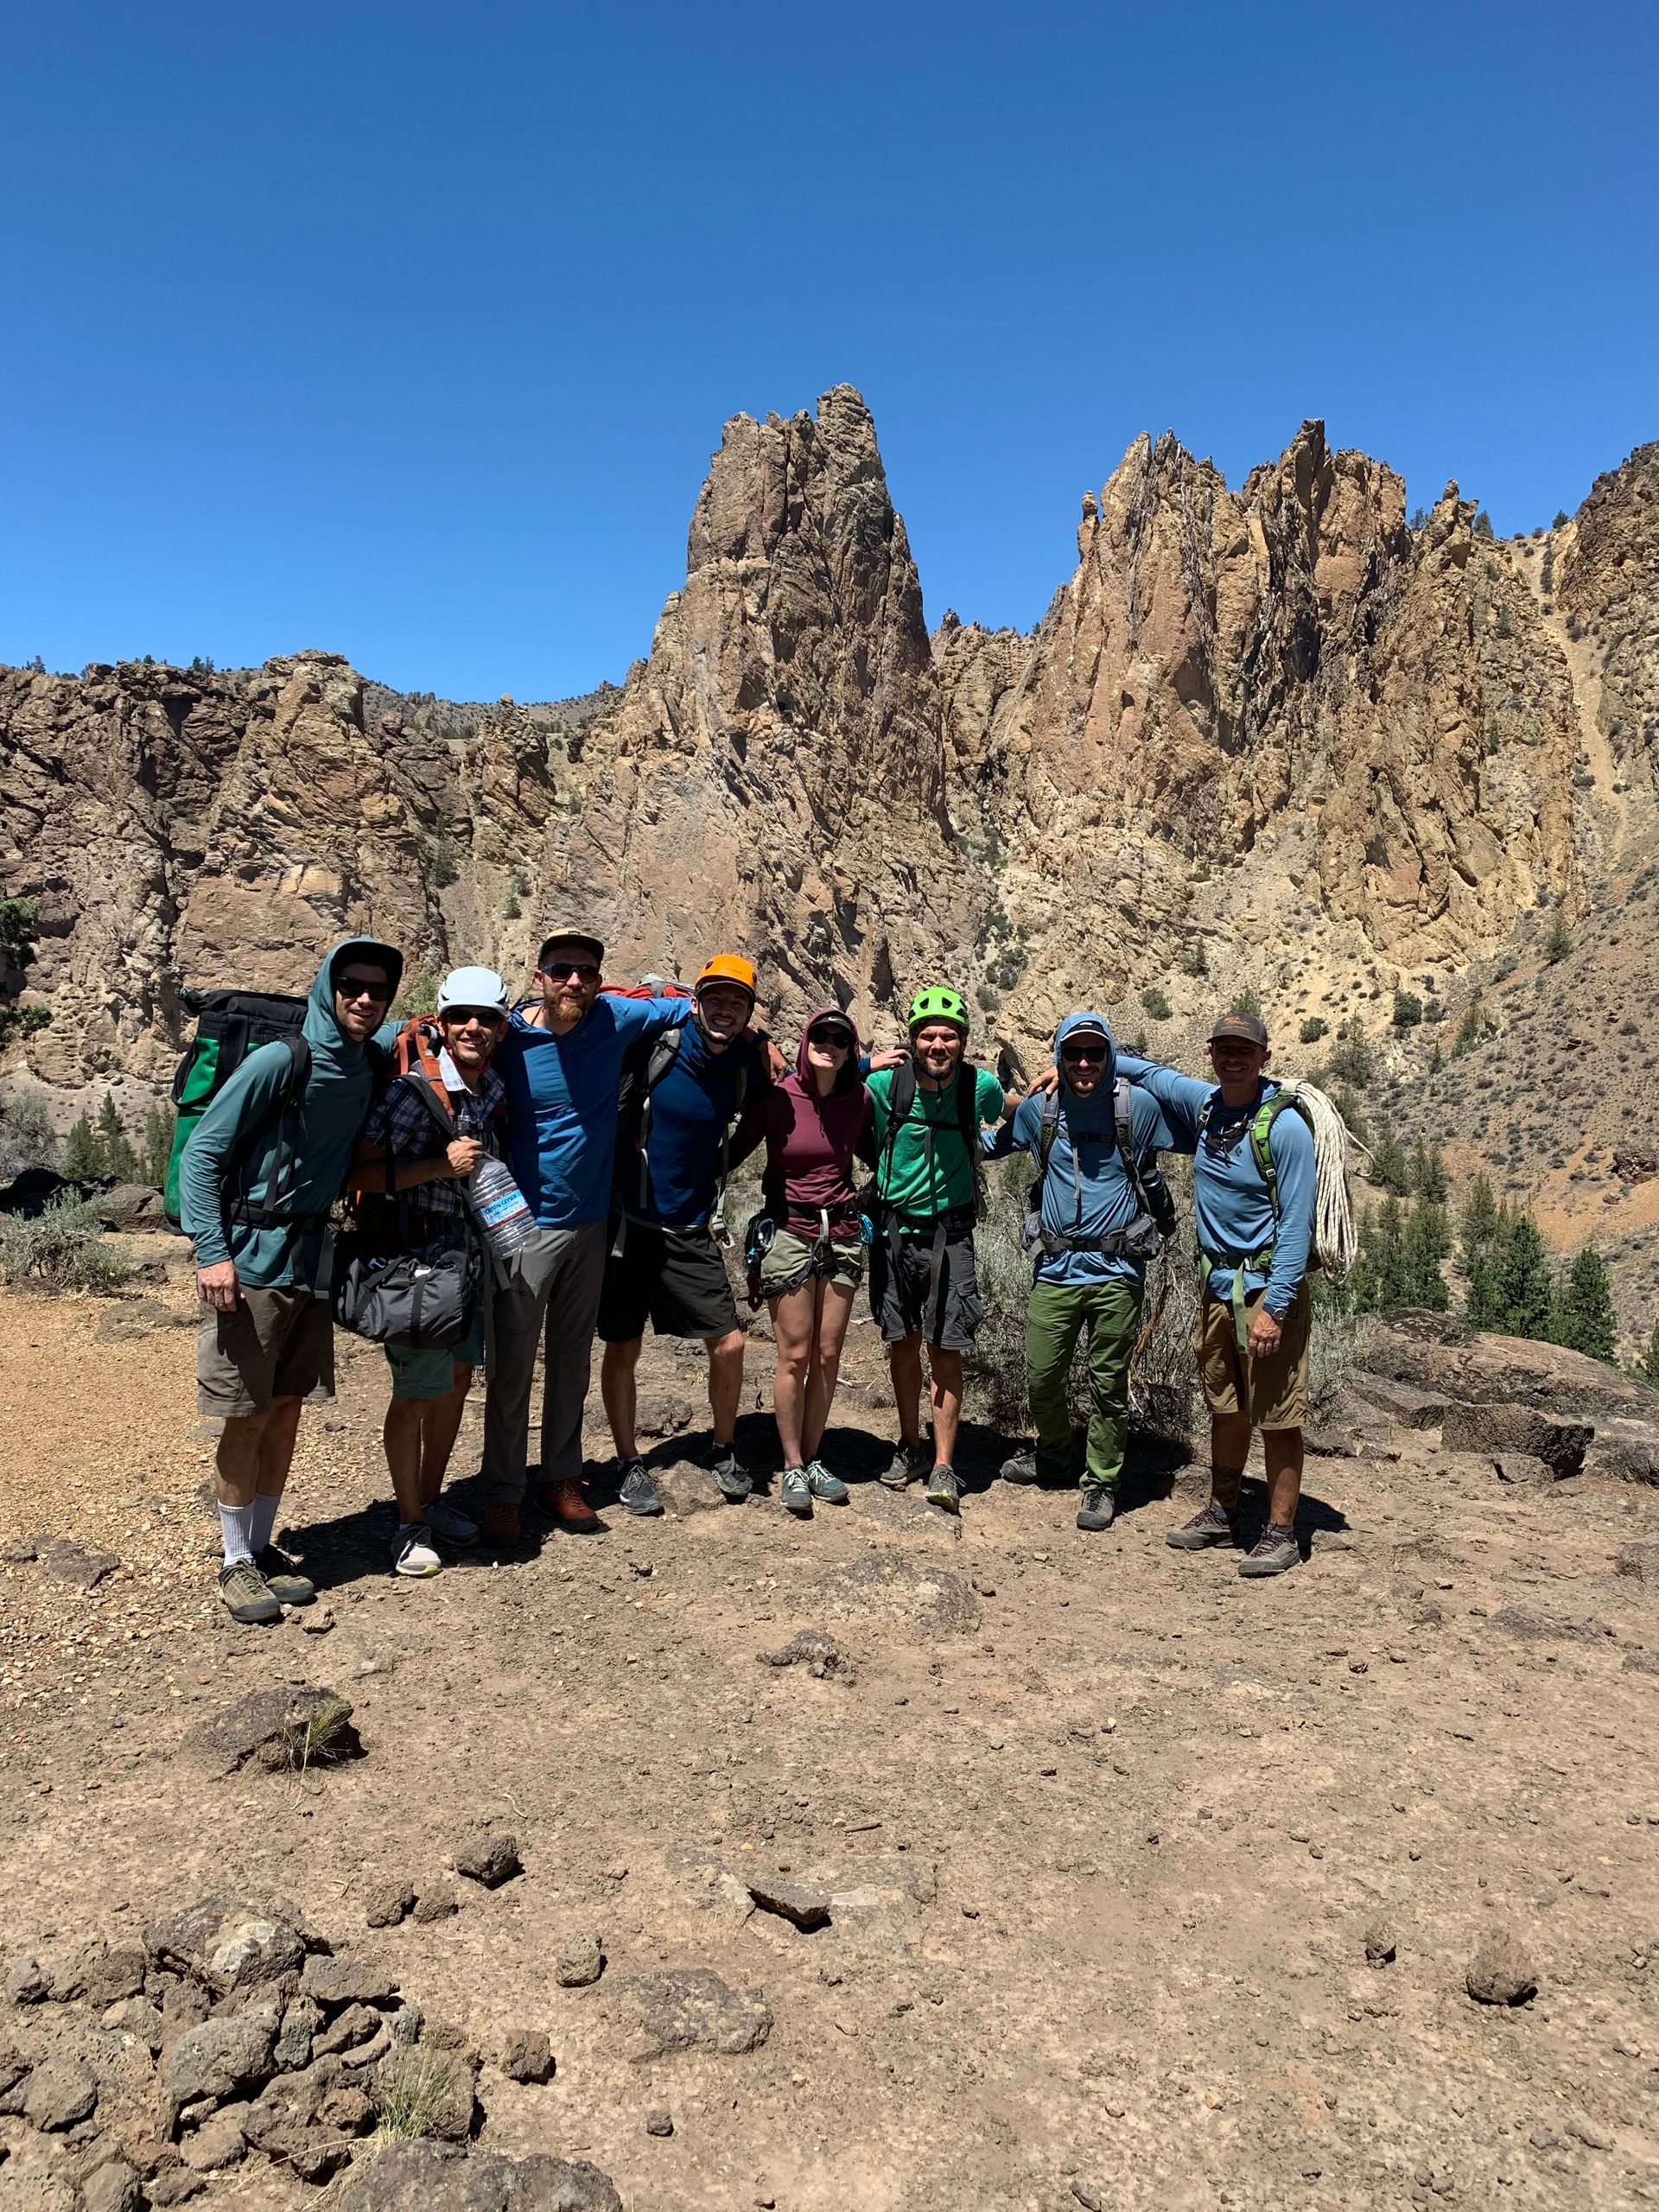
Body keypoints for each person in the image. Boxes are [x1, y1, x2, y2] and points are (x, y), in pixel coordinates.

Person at [181, 937, 403, 1624]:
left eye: (377, 988)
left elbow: (430, 1035)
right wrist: (211, 1252)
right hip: (252, 1262)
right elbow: (203, 1153)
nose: (364, 998)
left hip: (311, 1261)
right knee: (245, 1415)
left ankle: (263, 1545)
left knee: (286, 1408)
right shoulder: (284, 1059)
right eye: (351, 985)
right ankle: (234, 1562)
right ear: (327, 987)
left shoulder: (368, 1061)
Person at [481, 928, 692, 1540]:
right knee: (513, 1366)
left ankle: (561, 1481)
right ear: (539, 975)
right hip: (523, 1230)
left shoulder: (616, 1017)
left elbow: (687, 1006)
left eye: (587, 972)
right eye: (562, 970)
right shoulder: (510, 1037)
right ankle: (502, 1490)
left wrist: (763, 1046)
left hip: (592, 1225)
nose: (575, 981)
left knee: (572, 1361)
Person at [1113, 1011, 1317, 1577]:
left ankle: (1281, 1533)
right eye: (1224, 1048)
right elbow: (1150, 1073)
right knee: (1225, 1408)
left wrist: (1274, 1309)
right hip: (1216, 1287)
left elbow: (1297, 1224)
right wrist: (1078, 1062)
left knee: (1277, 1416)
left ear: (1264, 1057)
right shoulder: (1209, 1105)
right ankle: (1224, 1512)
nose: (1233, 1057)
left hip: (1266, 1290)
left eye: (1244, 1050)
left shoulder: (1285, 1128)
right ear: (1211, 1053)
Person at [349, 967, 510, 1575]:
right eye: (462, 1017)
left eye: (487, 1018)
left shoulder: (489, 1090)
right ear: (440, 1024)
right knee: (415, 1394)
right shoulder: (407, 1093)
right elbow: (359, 1175)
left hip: (467, 1260)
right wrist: (437, 1168)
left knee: (458, 1382)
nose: (474, 1027)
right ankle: (408, 1523)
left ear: (500, 1028)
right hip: (413, 1263)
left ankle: (432, 1500)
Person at [598, 956, 771, 1516]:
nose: (725, 1010)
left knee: (730, 1342)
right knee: (624, 1346)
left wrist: (724, 1167)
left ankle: (723, 1448)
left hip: (690, 1227)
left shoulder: (745, 1062)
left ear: (747, 1014)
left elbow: (762, 1116)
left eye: (736, 1002)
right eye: (715, 999)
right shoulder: (661, 1045)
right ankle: (628, 1463)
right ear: (695, 1001)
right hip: (631, 1222)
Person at [985, 1014, 1170, 1531]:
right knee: (1042, 1375)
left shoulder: (1138, 1108)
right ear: (1058, 1059)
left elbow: (1193, 1107)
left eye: (1095, 1053)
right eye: (1073, 1054)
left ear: (1110, 1056)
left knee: (1108, 1384)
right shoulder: (1039, 1113)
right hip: (1057, 1267)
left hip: (1117, 1269)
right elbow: (987, 1145)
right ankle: (1054, 1457)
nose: (1084, 1064)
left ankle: (1100, 1484)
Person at [865, 987, 1006, 1515]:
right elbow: (828, 1090)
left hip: (953, 1235)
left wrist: (1053, 1075)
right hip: (895, 1233)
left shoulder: (978, 1086)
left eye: (948, 1035)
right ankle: (911, 1446)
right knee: (902, 1344)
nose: (938, 1044)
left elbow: (1011, 1104)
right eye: (928, 1035)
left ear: (963, 1041)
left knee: (946, 1350)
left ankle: (944, 1464)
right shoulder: (883, 1086)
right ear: (913, 1040)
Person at [753, 1007, 877, 1516]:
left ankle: (814, 1457)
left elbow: (880, 1154)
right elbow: (736, 1149)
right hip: (789, 1231)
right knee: (794, 1355)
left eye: (840, 1039)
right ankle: (791, 1464)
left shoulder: (861, 1100)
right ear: (806, 1043)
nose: (829, 1044)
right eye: (821, 1036)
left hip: (842, 1233)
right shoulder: (779, 1097)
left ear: (850, 1051)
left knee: (828, 1356)